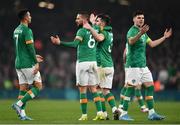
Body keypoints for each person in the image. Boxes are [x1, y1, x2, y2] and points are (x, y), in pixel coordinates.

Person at [50, 11, 105, 121]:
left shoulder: (81, 31)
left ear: (84, 20)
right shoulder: (95, 29)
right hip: (93, 63)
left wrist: (60, 42)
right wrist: (93, 22)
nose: (76, 20)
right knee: (94, 89)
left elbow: (75, 44)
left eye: (78, 18)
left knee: (82, 90)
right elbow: (96, 30)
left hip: (83, 63)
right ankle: (100, 113)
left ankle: (84, 115)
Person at [119, 10, 172, 121]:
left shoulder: (143, 32)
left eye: (142, 18)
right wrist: (140, 33)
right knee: (130, 89)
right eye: (139, 17)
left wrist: (164, 37)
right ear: (134, 19)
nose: (141, 19)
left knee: (150, 86)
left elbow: (152, 44)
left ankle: (152, 113)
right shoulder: (132, 31)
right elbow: (131, 42)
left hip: (143, 66)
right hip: (133, 66)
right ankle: (123, 114)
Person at [83, 13, 120, 120]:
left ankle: (104, 114)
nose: (96, 23)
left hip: (101, 66)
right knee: (106, 91)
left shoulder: (103, 32)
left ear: (103, 23)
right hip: (109, 65)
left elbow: (99, 38)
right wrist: (93, 24)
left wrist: (90, 26)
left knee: (97, 90)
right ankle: (114, 109)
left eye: (98, 21)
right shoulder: (110, 32)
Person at [12, 9, 43, 120]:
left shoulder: (16, 30)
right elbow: (30, 48)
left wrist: (35, 56)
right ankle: (18, 104)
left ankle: (22, 115)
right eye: (29, 15)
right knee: (38, 86)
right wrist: (36, 62)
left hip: (18, 63)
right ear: (25, 18)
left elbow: (22, 48)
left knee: (23, 88)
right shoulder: (27, 30)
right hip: (27, 63)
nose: (31, 17)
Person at [118, 48, 148, 113]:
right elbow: (124, 55)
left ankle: (142, 107)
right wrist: (125, 64)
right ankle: (121, 106)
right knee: (127, 85)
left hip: (138, 66)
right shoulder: (130, 42)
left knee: (138, 86)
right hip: (131, 67)